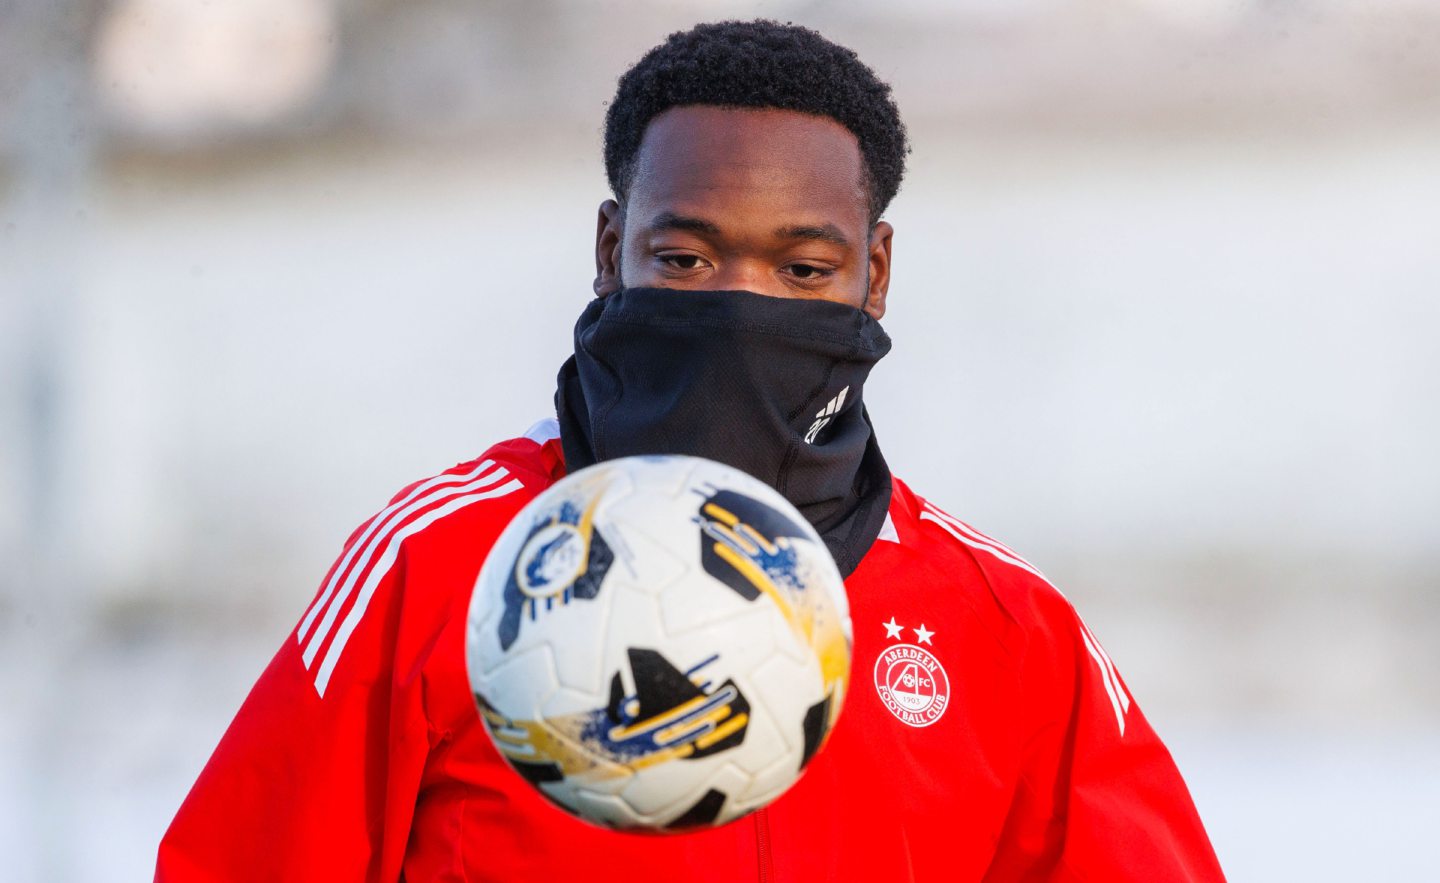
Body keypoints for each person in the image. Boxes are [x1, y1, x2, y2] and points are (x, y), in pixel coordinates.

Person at [156, 20, 1225, 882]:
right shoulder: (444, 564)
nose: (739, 307)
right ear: (610, 250)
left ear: (875, 274)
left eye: (804, 269)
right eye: (686, 256)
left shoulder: (1004, 628)